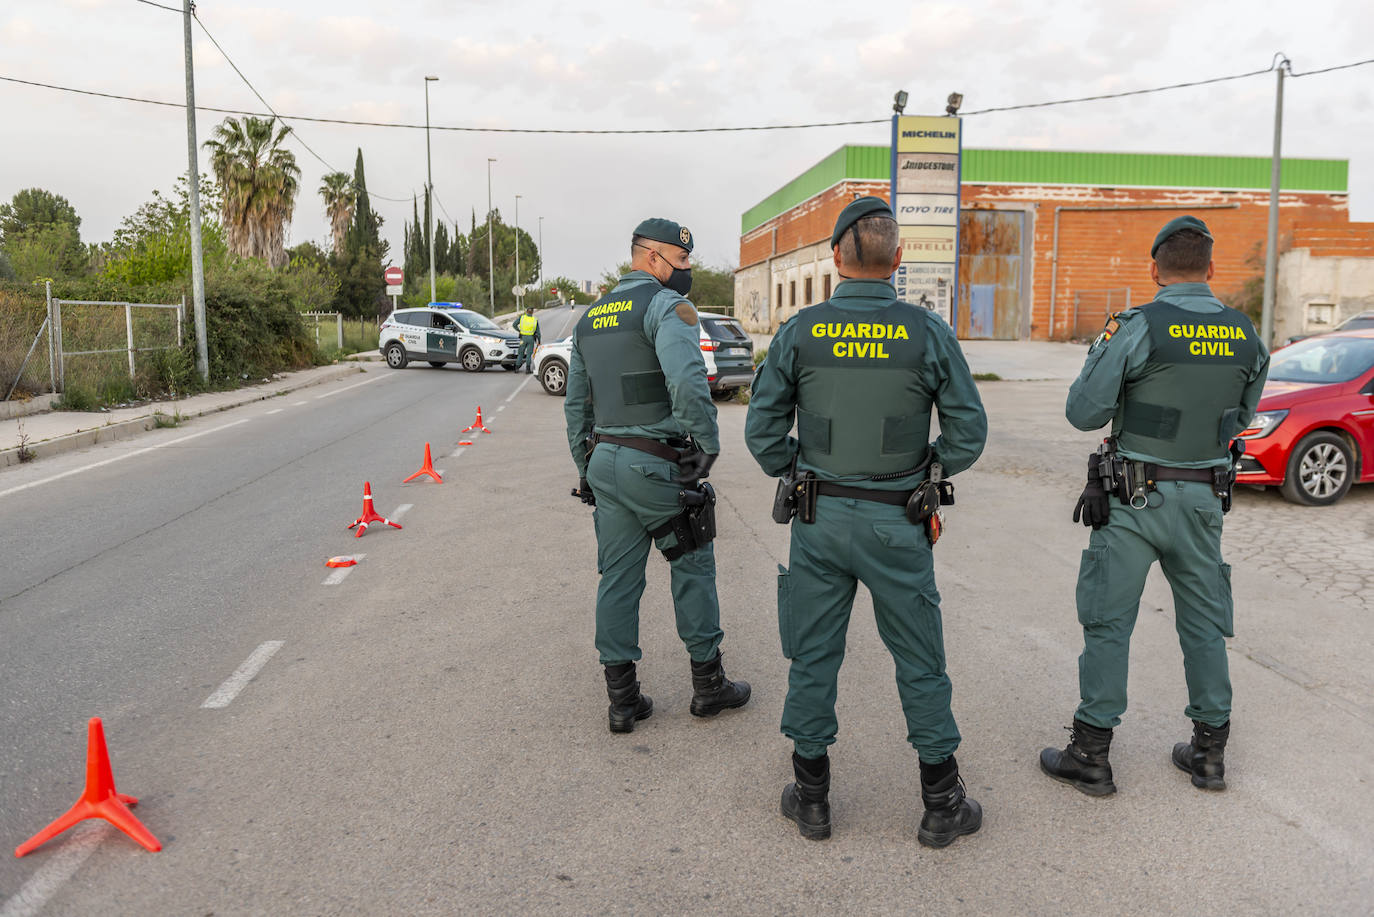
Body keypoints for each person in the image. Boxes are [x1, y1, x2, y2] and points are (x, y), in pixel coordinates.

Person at [745, 197, 988, 847]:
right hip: (898, 519)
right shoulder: (927, 331)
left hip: (819, 516)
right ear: (899, 260)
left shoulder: (800, 330)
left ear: (835, 258)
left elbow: (762, 431)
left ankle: (814, 799)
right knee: (920, 659)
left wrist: (799, 466)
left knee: (814, 654)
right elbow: (969, 431)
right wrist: (928, 467)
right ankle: (942, 802)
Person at [1040, 215, 1270, 796]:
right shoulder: (1247, 334)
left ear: (1154, 270)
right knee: (1204, 625)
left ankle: (1091, 755)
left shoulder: (1137, 326)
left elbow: (1083, 413)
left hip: (1133, 501)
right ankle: (1209, 753)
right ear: (1211, 269)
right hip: (1202, 501)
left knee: (1109, 623)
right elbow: (1238, 422)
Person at [565, 217, 751, 734]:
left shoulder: (589, 319)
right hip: (658, 462)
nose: (687, 271)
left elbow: (575, 407)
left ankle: (623, 702)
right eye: (682, 261)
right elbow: (689, 382)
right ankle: (709, 689)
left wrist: (587, 472)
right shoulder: (666, 307)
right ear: (652, 258)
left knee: (617, 579)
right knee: (692, 566)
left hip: (606, 462)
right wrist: (706, 452)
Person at [515, 303, 541, 373]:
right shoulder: (535, 320)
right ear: (532, 312)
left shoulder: (522, 317)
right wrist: (539, 341)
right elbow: (538, 332)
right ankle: (527, 369)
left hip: (523, 338)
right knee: (529, 354)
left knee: (520, 353)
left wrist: (519, 330)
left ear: (526, 311)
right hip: (531, 339)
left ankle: (517, 368)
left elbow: (514, 325)